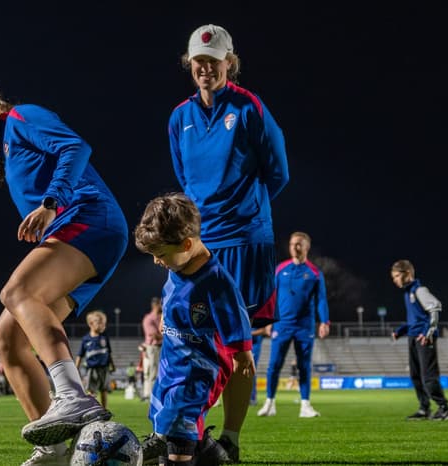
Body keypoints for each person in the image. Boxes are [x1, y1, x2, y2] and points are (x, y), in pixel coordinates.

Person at [0, 80, 128, 465]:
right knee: (6, 341)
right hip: (79, 230)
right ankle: (55, 450)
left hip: (90, 218)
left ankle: (73, 395)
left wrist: (51, 202)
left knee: (17, 291)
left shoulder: (22, 116)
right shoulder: (3, 150)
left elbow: (76, 147)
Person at [161, 23, 290, 464]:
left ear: (229, 64)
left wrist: (245, 210)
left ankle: (230, 440)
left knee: (240, 345)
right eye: (198, 61)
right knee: (191, 336)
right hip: (199, 243)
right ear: (189, 64)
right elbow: (185, 177)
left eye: (214, 62)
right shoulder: (179, 117)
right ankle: (187, 433)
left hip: (246, 242)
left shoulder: (249, 107)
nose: (205, 68)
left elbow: (279, 171)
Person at [134, 193, 254, 466]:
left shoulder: (217, 283)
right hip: (169, 367)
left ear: (187, 244)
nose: (156, 261)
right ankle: (207, 452)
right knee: (162, 415)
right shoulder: (177, 264)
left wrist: (242, 356)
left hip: (199, 371)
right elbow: (174, 295)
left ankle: (182, 454)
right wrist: (167, 316)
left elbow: (238, 331)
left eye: (160, 254)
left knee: (178, 426)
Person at [257, 232, 330, 418]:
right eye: (292, 244)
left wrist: (324, 321)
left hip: (304, 326)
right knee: (274, 365)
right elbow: (270, 296)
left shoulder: (314, 273)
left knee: (304, 366)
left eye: (299, 244)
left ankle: (305, 405)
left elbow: (321, 300)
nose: (295, 247)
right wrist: (267, 320)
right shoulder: (280, 269)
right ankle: (269, 403)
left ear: (307, 247)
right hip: (281, 326)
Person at [390, 260, 448, 421]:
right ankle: (424, 409)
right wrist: (400, 331)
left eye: (397, 276)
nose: (394, 280)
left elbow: (435, 308)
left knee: (428, 376)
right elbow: (415, 320)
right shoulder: (407, 293)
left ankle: (445, 408)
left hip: (424, 338)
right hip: (413, 337)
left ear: (407, 274)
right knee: (415, 376)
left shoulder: (419, 290)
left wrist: (428, 332)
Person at [75, 310, 114, 408]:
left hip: (104, 368)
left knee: (104, 390)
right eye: (100, 323)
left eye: (104, 323)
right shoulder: (86, 339)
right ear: (91, 324)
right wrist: (76, 367)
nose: (103, 326)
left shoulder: (104, 337)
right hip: (92, 369)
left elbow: (109, 352)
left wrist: (112, 364)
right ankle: (93, 409)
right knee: (91, 391)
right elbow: (80, 355)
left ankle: (104, 410)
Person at [141, 296, 163, 401]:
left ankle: (160, 394)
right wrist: (170, 334)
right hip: (154, 347)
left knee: (162, 371)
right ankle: (152, 396)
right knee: (154, 372)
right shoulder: (149, 318)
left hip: (162, 346)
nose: (162, 305)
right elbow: (155, 335)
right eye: (160, 303)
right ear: (155, 305)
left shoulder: (162, 316)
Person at [249, 324, 271, 406]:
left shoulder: (258, 314)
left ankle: (252, 398)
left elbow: (264, 330)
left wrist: (247, 334)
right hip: (242, 343)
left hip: (254, 345)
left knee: (251, 371)